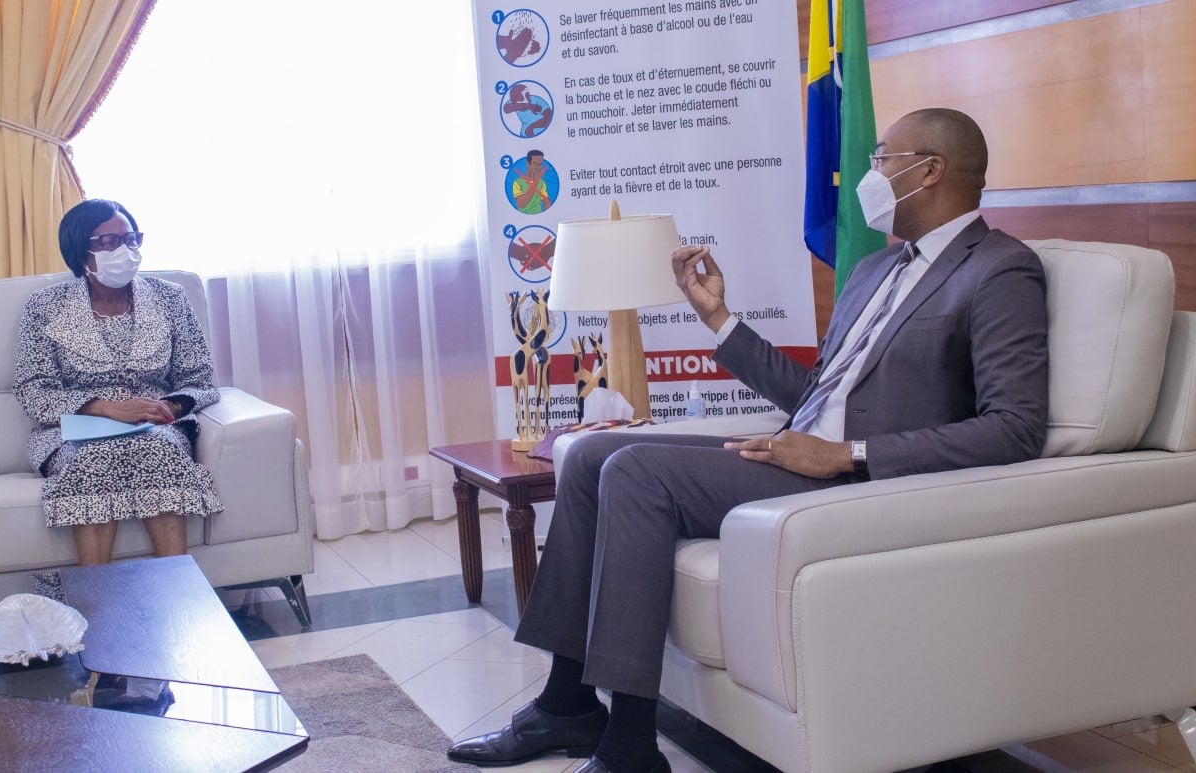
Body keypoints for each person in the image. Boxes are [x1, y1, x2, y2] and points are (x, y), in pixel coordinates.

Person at [448, 108, 1049, 773]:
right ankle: (567, 705)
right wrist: (718, 317)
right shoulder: (874, 272)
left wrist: (845, 454)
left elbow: (1015, 427)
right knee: (590, 453)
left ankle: (629, 749)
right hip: (795, 452)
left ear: (930, 170)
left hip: (852, 479)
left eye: (882, 159)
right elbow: (815, 395)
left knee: (638, 472)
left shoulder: (998, 269)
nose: (869, 175)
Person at [13, 199, 223, 566]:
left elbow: (201, 379)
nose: (125, 251)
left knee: (159, 450)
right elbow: (33, 390)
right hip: (79, 428)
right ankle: (98, 598)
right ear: (81, 252)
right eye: (109, 242)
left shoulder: (169, 298)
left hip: (155, 426)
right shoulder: (45, 306)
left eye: (131, 239)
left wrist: (165, 408)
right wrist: (107, 409)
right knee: (94, 456)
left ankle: (178, 591)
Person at [512, 150, 552, 214]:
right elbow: (521, 204)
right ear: (528, 164)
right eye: (535, 164)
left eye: (540, 164)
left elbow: (547, 203)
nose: (538, 167)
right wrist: (537, 178)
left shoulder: (541, 182)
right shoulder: (517, 183)